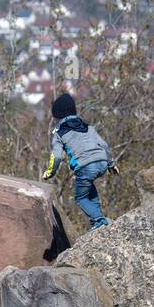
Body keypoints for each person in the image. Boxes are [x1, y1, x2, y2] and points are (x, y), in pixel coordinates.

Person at [42, 93, 115, 229]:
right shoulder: (87, 127)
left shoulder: (59, 132)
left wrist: (50, 172)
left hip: (86, 165)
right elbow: (104, 145)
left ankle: (99, 220)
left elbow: (57, 156)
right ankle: (98, 220)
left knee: (80, 198)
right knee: (88, 189)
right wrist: (111, 164)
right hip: (102, 161)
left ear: (57, 114)